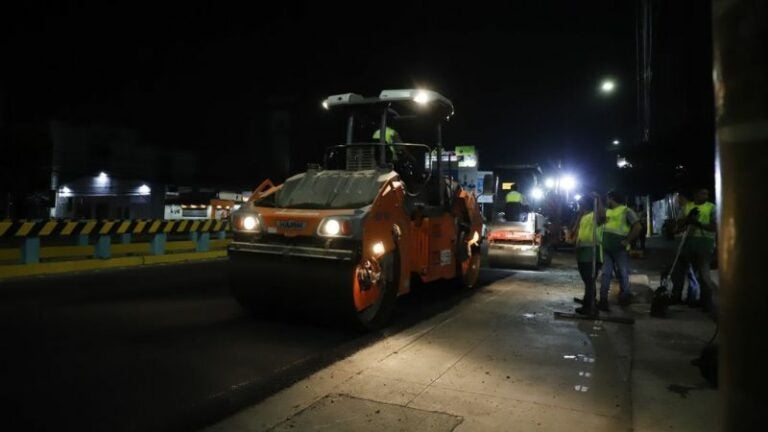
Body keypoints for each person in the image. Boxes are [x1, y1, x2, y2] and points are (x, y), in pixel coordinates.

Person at [671, 188, 717, 313]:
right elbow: (679, 224)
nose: (705, 196)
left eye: (706, 194)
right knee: (684, 273)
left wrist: (697, 222)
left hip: (704, 245)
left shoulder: (712, 208)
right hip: (687, 244)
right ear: (695, 194)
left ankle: (706, 302)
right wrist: (688, 219)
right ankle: (684, 297)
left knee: (703, 275)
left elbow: (715, 226)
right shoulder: (687, 207)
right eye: (702, 193)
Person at [598, 190, 642, 310]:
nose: (607, 201)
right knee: (606, 274)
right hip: (607, 248)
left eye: (607, 199)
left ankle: (624, 298)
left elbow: (638, 226)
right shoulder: (608, 211)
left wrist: (627, 241)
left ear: (612, 198)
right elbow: (600, 220)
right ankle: (603, 300)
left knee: (622, 273)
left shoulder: (626, 210)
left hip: (619, 249)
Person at [574, 193, 604, 317]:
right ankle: (588, 303)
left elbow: (602, 217)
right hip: (583, 252)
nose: (578, 207)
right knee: (588, 281)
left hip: (592, 253)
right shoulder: (584, 217)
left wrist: (598, 200)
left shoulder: (594, 215)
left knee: (589, 280)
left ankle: (591, 306)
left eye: (580, 205)